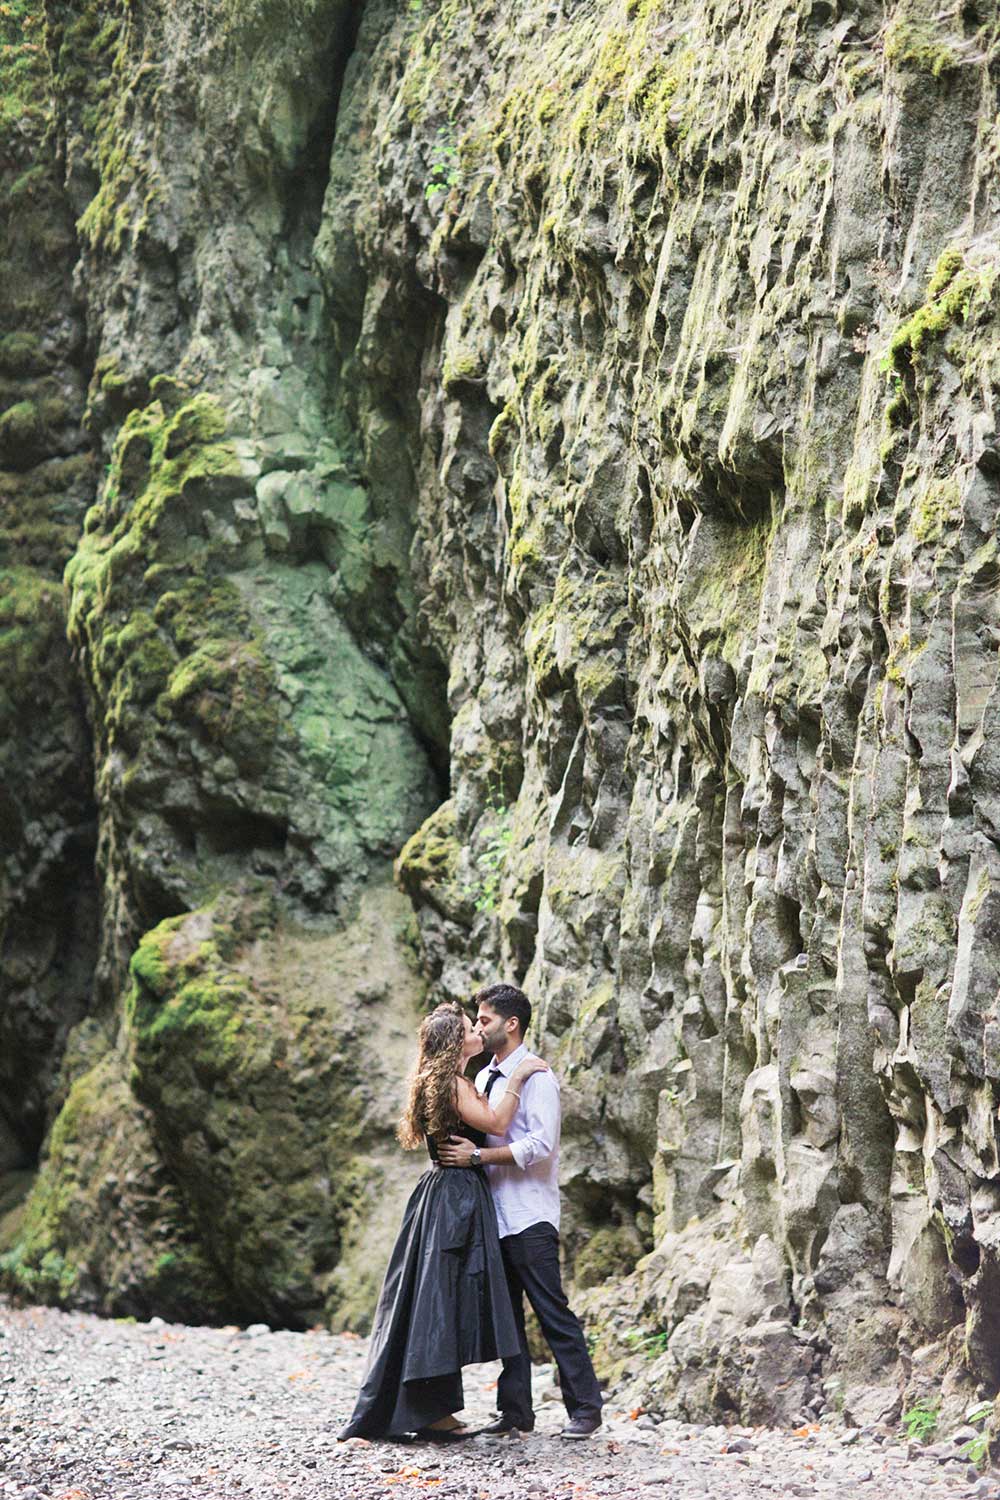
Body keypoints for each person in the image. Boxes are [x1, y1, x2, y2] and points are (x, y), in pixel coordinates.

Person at [339, 1001, 549, 1442]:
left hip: (443, 1192)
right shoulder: (455, 1084)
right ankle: (428, 1410)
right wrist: (520, 1076)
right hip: (455, 1197)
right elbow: (495, 1121)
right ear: (457, 1042)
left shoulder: (445, 1081)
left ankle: (433, 1408)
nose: (477, 1029)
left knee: (436, 1300)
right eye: (470, 1026)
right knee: (439, 1301)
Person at [438, 982, 604, 1440]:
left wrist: (477, 1157)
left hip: (529, 1214)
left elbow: (541, 1145)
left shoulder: (538, 1078)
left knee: (552, 1313)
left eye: (485, 1019)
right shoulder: (485, 1077)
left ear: (511, 1024)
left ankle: (586, 1409)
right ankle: (515, 1412)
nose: (477, 1026)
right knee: (506, 1317)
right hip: (493, 1216)